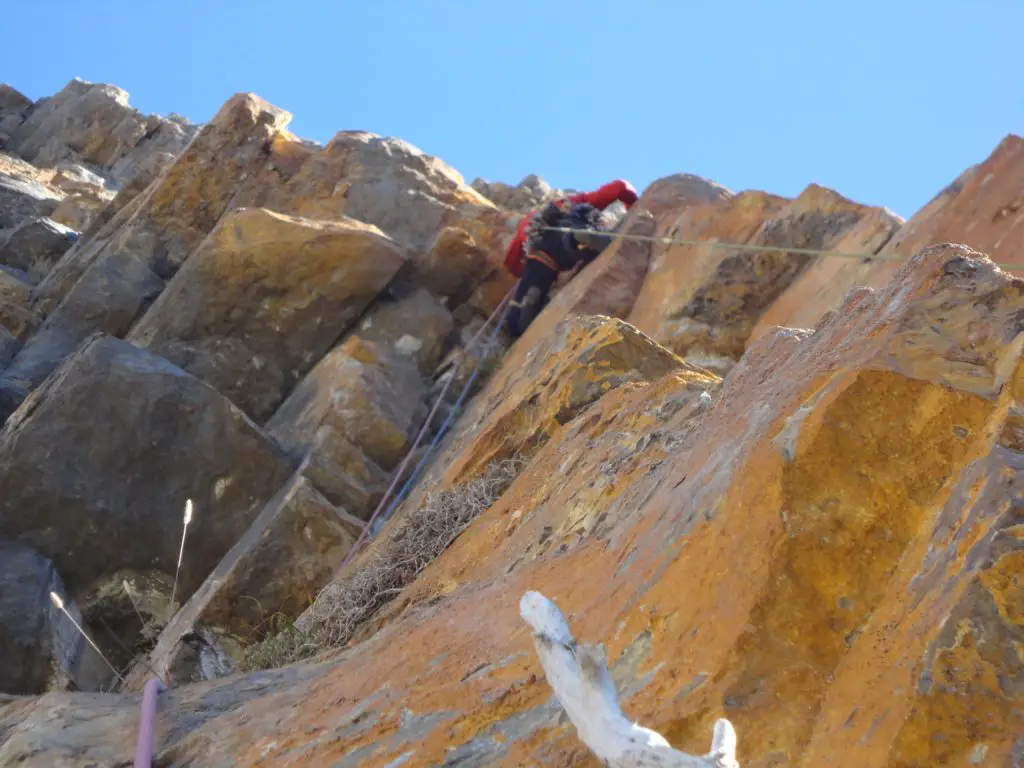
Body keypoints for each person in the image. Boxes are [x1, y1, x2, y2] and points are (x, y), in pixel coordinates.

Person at [503, 180, 639, 337]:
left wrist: (520, 272)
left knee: (523, 301)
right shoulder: (579, 201)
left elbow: (511, 261)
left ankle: (523, 314)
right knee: (576, 246)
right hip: (567, 240)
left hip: (541, 257)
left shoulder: (528, 224)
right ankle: (579, 239)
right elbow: (619, 187)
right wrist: (633, 205)